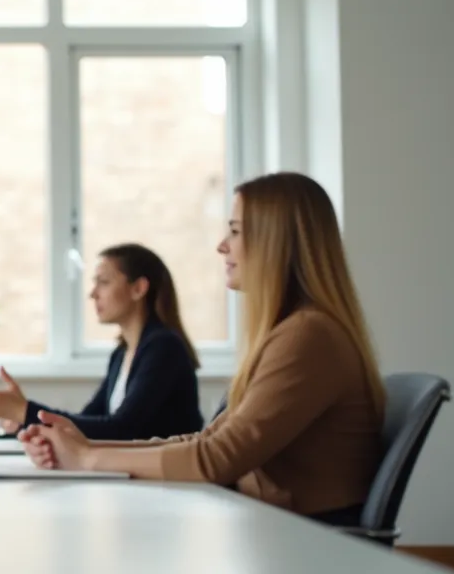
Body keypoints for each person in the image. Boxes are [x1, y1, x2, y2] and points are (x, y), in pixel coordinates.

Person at [21, 172, 385, 524]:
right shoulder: (293, 332)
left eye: (236, 231)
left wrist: (86, 458)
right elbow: (208, 440)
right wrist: (86, 449)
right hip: (269, 525)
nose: (222, 245)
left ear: (276, 241)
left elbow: (216, 459)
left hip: (303, 543)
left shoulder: (309, 337)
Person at [0, 243, 203, 441]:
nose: (92, 293)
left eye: (103, 282)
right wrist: (23, 420)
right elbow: (87, 422)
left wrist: (25, 411)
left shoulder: (163, 348)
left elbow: (123, 429)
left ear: (138, 288)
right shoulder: (122, 353)